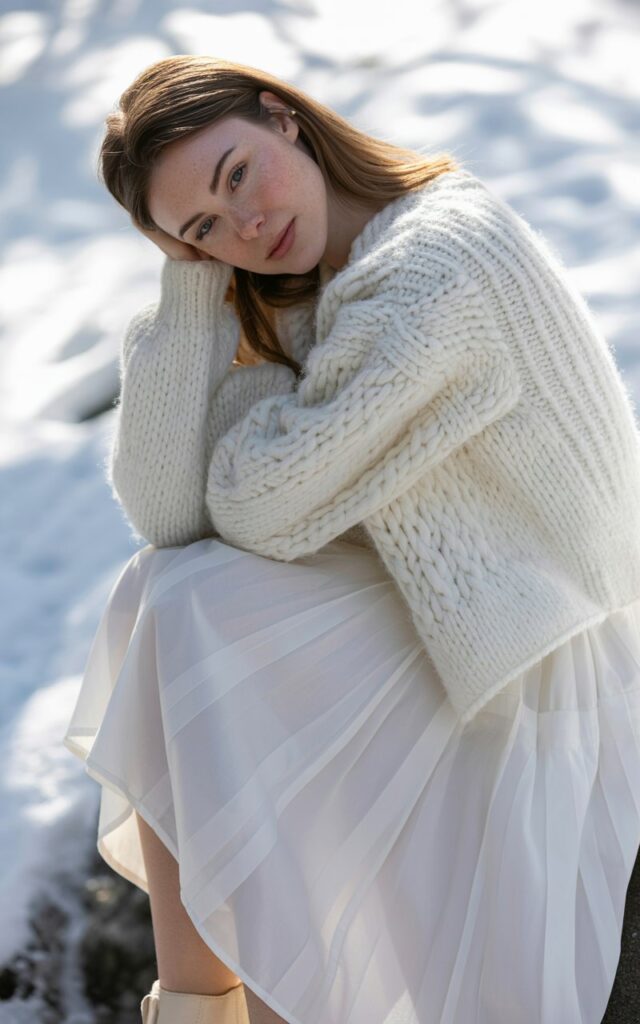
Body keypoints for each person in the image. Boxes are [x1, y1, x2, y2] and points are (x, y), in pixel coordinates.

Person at [62, 53, 640, 1024]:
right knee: (162, 592)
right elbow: (171, 508)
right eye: (201, 229)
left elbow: (256, 503)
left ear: (283, 118)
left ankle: (203, 1005)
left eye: (235, 173)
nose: (242, 224)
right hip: (460, 640)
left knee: (182, 602)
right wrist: (189, 289)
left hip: (552, 677)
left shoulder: (433, 264)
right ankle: (205, 1002)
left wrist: (241, 453)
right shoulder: (311, 292)